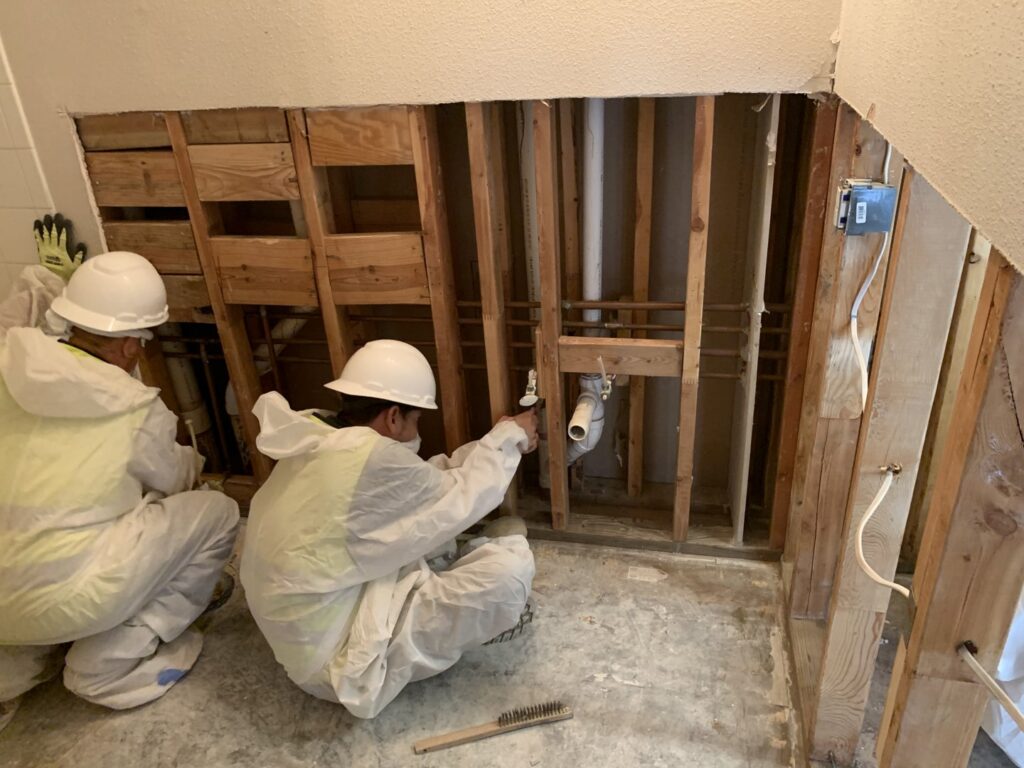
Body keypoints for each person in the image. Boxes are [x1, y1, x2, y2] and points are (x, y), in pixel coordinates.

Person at [0, 250, 239, 731]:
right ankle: (107, 664)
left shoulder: (9, 367)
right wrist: (192, 462)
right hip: (68, 597)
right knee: (217, 513)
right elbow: (175, 482)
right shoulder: (133, 407)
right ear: (130, 345)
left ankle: (21, 660)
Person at [241, 339, 539, 718]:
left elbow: (425, 486)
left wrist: (495, 441)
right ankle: (472, 564)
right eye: (416, 420)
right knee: (509, 576)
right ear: (394, 416)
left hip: (305, 627)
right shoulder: (373, 459)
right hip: (339, 660)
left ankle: (464, 556)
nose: (416, 429)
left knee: (427, 527)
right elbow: (460, 497)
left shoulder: (325, 438)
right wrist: (511, 437)